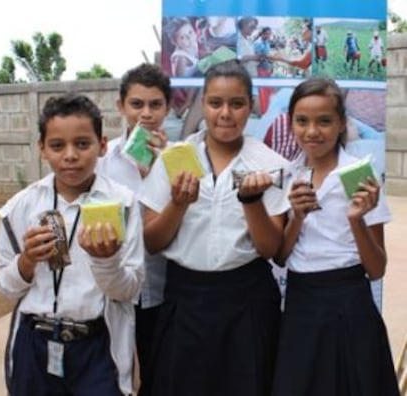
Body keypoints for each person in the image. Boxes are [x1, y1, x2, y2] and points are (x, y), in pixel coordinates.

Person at [139, 59, 290, 396]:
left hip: (246, 300)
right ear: (202, 103)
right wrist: (177, 204)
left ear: (250, 107)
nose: (225, 113)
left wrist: (251, 202)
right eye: (215, 103)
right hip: (185, 299)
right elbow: (151, 241)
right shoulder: (174, 158)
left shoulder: (270, 164)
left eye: (237, 104)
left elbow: (271, 249)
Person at [0, 93, 145, 396]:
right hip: (34, 343)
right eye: (57, 145)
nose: (70, 155)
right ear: (42, 149)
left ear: (102, 146)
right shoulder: (21, 207)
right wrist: (25, 263)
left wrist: (107, 261)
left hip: (97, 346)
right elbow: (4, 286)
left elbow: (129, 290)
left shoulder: (123, 205)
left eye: (82, 143)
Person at [271, 78, 400, 396]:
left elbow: (376, 269)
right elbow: (280, 255)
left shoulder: (358, 174)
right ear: (291, 123)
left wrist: (356, 220)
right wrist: (297, 217)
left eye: (324, 121)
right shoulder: (288, 173)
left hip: (349, 300)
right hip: (301, 302)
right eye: (302, 121)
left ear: (342, 123)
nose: (312, 132)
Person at [97, 63, 171, 390]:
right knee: (111, 372)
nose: (146, 113)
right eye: (137, 104)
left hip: (164, 285)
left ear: (168, 107)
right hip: (113, 287)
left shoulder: (180, 158)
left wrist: (154, 172)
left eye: (155, 104)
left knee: (159, 374)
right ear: (121, 107)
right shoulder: (103, 160)